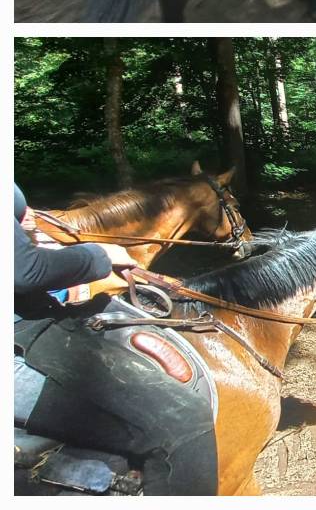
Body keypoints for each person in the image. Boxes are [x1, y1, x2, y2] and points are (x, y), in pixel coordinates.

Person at [13, 184, 219, 495]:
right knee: (183, 420)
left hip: (32, 322)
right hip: (20, 340)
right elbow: (23, 271)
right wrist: (99, 255)